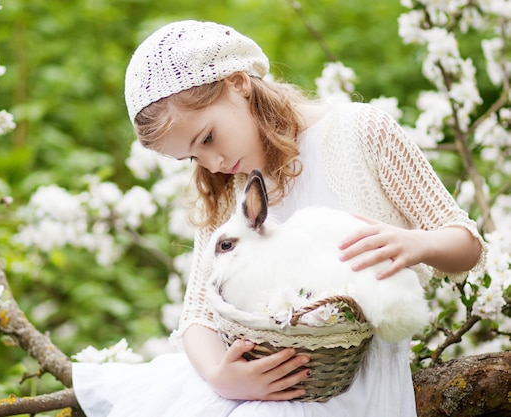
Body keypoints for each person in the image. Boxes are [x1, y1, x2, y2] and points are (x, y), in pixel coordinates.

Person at [72, 20, 486, 417]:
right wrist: (223, 377)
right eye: (193, 157)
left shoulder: (359, 131)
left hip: (350, 383)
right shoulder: (228, 189)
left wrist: (416, 245)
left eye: (208, 138)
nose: (213, 163)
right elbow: (198, 315)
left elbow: (466, 245)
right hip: (259, 382)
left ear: (238, 84)